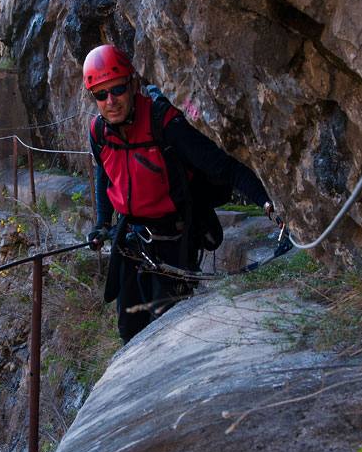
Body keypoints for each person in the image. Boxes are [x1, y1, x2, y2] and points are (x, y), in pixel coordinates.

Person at [84, 43, 281, 344]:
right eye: (101, 94)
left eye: (118, 89)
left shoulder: (164, 124)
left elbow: (222, 166)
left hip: (173, 240)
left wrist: (267, 202)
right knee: (129, 329)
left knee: (167, 329)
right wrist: (102, 222)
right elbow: (104, 172)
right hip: (131, 241)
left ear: (133, 84)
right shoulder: (100, 132)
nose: (111, 101)